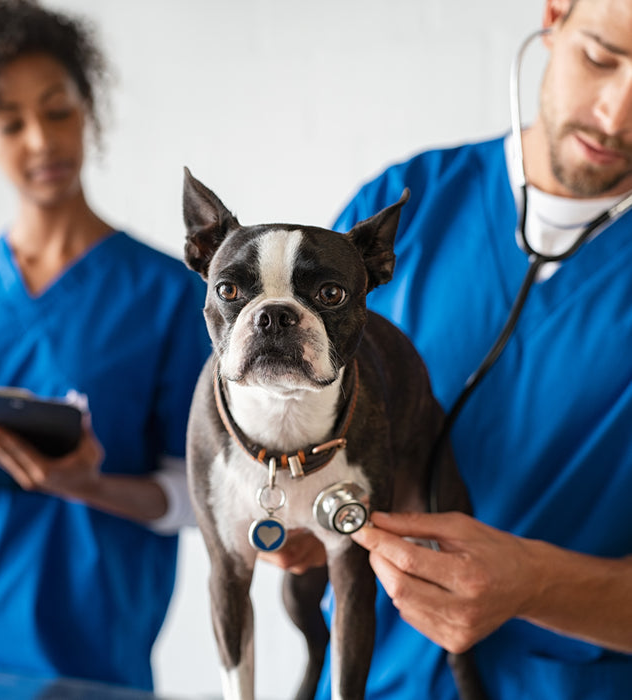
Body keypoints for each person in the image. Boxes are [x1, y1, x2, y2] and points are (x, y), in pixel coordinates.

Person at [267, 0, 632, 698]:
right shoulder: (405, 209)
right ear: (555, 14)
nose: (616, 115)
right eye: (599, 57)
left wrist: (539, 584)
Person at [0, 0, 209, 691]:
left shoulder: (169, 297)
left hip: (90, 664)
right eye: (11, 122)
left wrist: (86, 485)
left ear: (89, 110)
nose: (40, 142)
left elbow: (195, 497)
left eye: (58, 110)